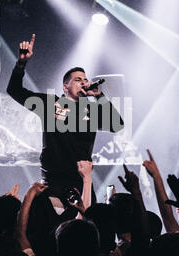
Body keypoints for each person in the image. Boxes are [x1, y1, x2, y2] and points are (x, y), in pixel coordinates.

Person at [6, 34, 124, 201]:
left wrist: (99, 95)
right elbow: (14, 91)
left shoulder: (91, 109)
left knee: (85, 224)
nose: (83, 82)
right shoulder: (49, 103)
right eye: (77, 80)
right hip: (53, 182)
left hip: (81, 181)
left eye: (85, 80)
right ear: (65, 86)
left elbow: (117, 125)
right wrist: (21, 63)